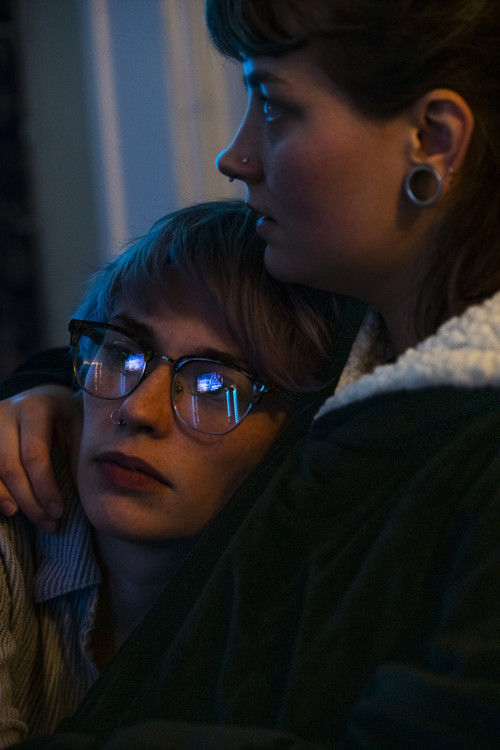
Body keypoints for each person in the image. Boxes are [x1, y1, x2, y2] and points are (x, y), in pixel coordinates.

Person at [3, 0, 500, 747]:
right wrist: (48, 396)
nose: (233, 155)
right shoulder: (363, 349)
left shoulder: (467, 456)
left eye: (272, 104)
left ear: (432, 140)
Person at [0, 198, 360, 747]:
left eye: (213, 385)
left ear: (295, 434)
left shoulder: (311, 632)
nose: (137, 410)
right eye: (123, 354)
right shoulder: (9, 530)